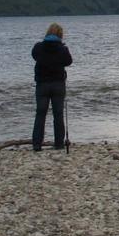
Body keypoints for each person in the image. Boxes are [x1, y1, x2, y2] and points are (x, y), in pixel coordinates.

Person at [31, 23, 73, 151]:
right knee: (58, 114)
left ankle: (37, 144)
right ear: (60, 35)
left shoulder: (38, 47)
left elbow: (34, 56)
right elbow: (69, 61)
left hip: (42, 85)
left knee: (40, 113)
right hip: (58, 84)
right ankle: (59, 143)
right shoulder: (62, 49)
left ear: (48, 33)